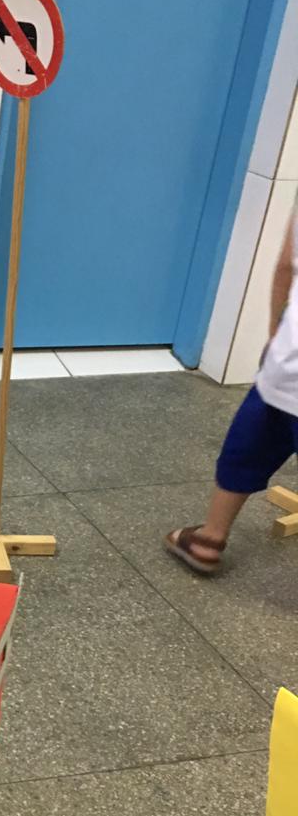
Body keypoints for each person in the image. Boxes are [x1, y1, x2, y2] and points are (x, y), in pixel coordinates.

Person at [166, 206, 298, 573]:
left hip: (289, 366)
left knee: (252, 440)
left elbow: (286, 266)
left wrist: (275, 336)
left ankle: (209, 538)